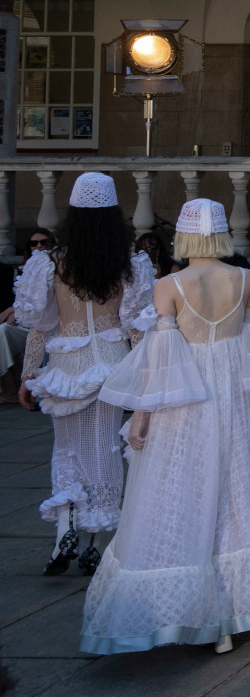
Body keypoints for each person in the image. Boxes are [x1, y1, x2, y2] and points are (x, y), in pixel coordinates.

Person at [84, 198, 250, 654]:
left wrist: (140, 418)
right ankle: (228, 613)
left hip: (184, 403)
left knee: (178, 492)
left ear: (185, 233)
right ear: (221, 232)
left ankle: (193, 612)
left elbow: (159, 364)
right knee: (232, 493)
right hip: (229, 401)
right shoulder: (244, 279)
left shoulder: (169, 285)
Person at [16, 172, 154, 577]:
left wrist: (28, 375)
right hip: (112, 362)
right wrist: (146, 375)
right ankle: (94, 542)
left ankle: (64, 532)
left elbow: (40, 325)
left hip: (65, 366)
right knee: (105, 449)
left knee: (66, 449)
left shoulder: (50, 263)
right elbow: (134, 327)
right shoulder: (129, 265)